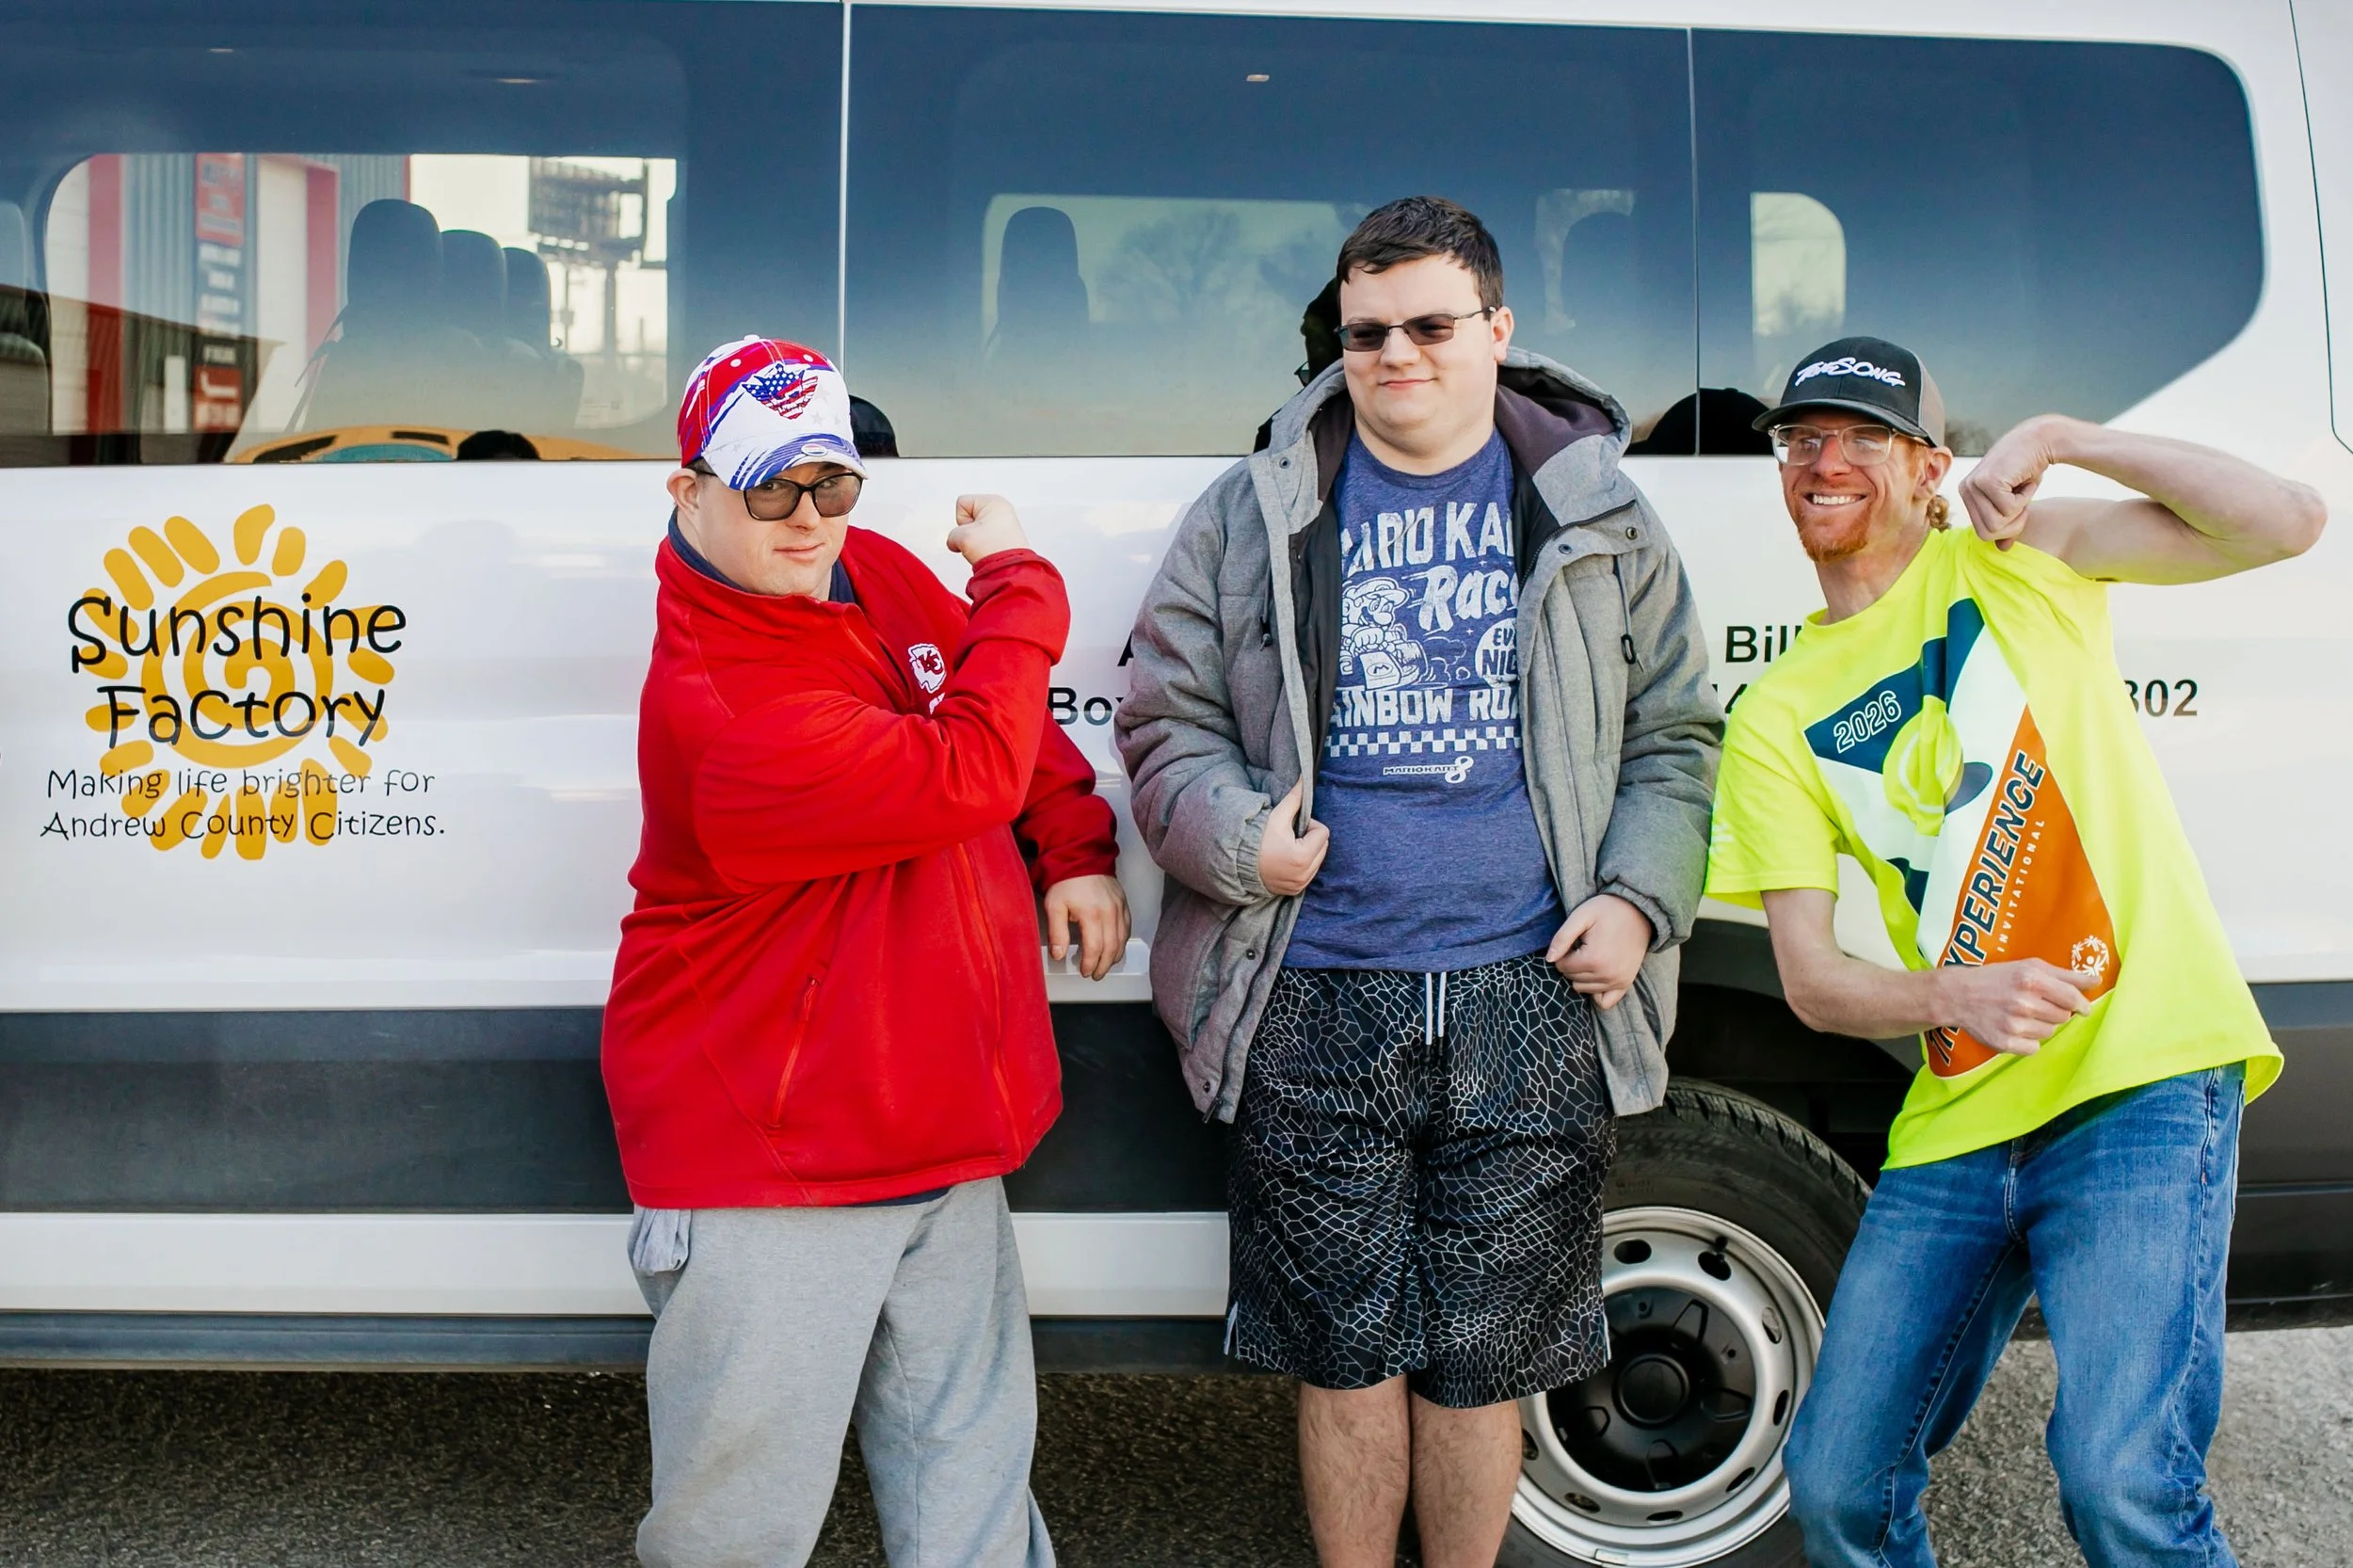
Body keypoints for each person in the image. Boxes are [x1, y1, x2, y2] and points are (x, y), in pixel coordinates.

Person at [1115, 197, 1722, 1568]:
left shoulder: (1598, 508)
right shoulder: (1254, 507)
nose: (1395, 355)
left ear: (1496, 331)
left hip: (1532, 990)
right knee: (1342, 1357)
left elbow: (1680, 729)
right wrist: (1234, 842)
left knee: (1483, 1363)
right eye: (1367, 330)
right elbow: (1162, 717)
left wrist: (1635, 897)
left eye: (1431, 326)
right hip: (1314, 990)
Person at [1702, 335, 2326, 1568]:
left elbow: (2291, 520)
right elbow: (1814, 982)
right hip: (1958, 1119)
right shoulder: (1774, 711)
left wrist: (2068, 436)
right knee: (1835, 1483)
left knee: (2119, 1482)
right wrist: (1952, 990)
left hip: (2140, 1077)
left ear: (1929, 466)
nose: (1821, 462)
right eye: (1800, 440)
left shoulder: (2018, 559)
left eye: (1858, 438)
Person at [601, 336, 1129, 1568]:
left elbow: (1009, 736)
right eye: (768, 487)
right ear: (689, 493)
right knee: (739, 1527)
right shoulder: (723, 705)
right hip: (778, 1156)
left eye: (830, 482)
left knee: (973, 1491)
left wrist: (1075, 840)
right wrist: (1021, 582)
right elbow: (967, 762)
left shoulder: (872, 568)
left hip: (936, 1120)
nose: (807, 519)